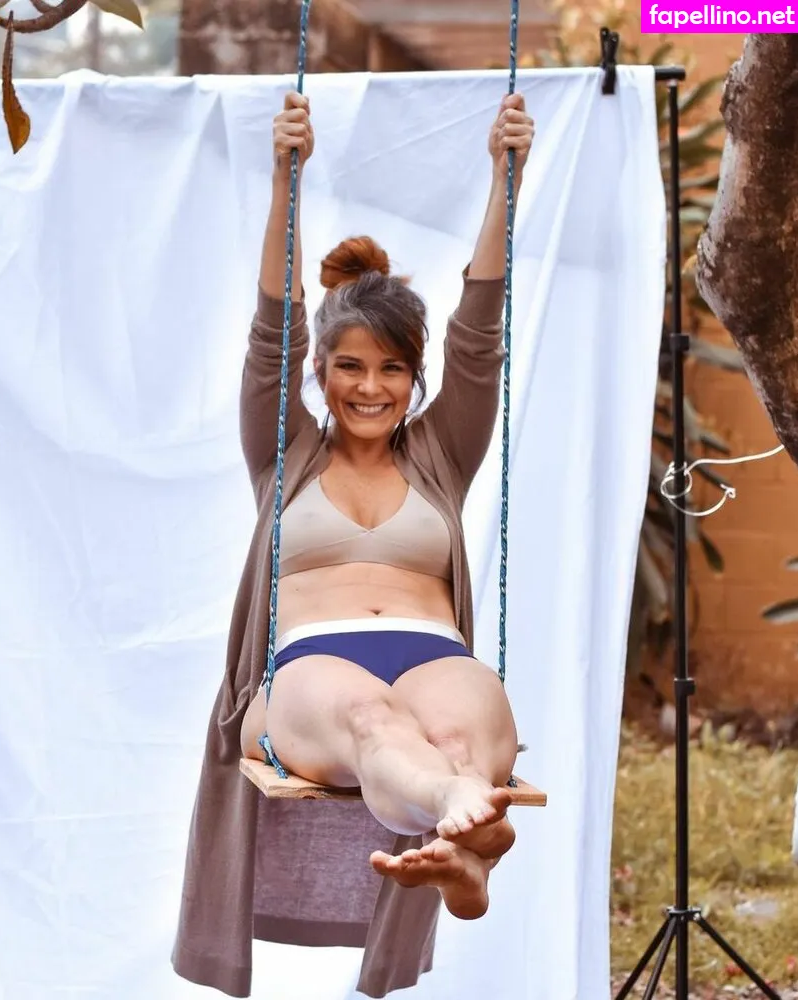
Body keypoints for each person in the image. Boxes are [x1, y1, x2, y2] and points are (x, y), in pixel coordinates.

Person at [238, 88, 535, 921]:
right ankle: (465, 816)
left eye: (392, 369)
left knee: (454, 738)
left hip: (436, 655)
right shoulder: (286, 453)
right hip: (313, 666)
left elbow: (477, 334)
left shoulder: (439, 455)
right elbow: (272, 331)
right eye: (350, 366)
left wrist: (505, 177)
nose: (370, 387)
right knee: (374, 721)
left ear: (413, 377)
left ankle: (462, 848)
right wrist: (285, 179)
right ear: (320, 371)